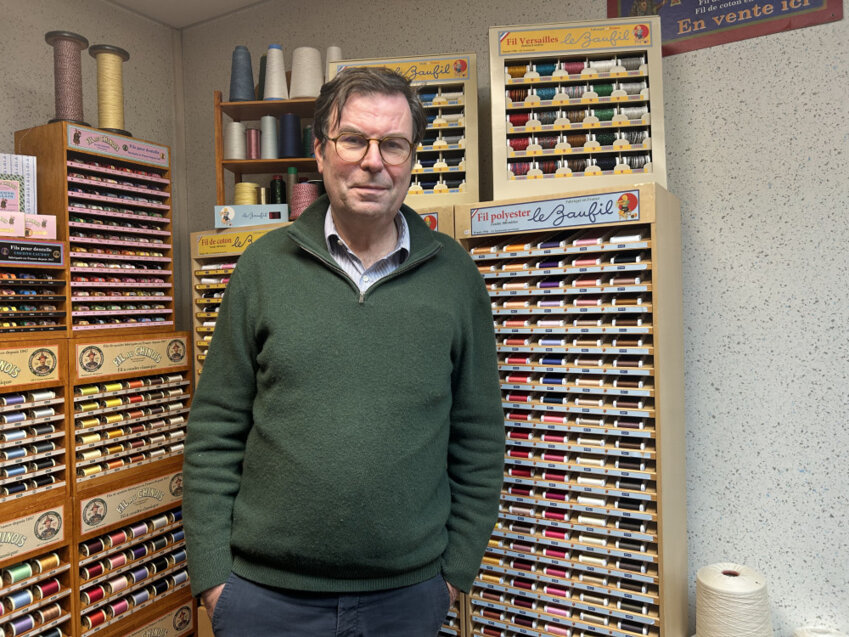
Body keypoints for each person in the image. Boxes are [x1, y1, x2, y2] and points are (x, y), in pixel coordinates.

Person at [183, 66, 505, 636]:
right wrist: (213, 580)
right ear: (320, 149)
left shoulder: (455, 276)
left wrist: (455, 574)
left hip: (407, 598)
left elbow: (478, 435)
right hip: (264, 599)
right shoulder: (262, 268)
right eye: (353, 138)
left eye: (394, 144)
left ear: (412, 158)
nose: (373, 160)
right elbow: (215, 428)